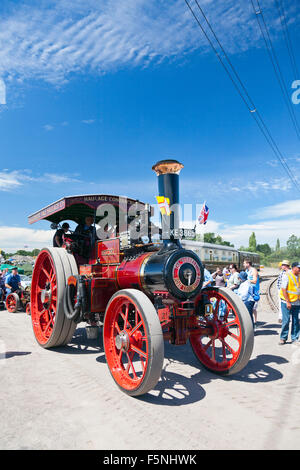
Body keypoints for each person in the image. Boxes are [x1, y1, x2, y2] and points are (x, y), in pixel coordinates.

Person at [278, 261, 300, 345]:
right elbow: (283, 289)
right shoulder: (287, 275)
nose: (299, 270)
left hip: (297, 302)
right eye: (298, 268)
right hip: (287, 302)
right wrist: (287, 302)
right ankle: (283, 338)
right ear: (294, 267)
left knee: (296, 321)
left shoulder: (299, 276)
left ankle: (295, 338)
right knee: (286, 321)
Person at [243, 258, 260, 325]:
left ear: (248, 264)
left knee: (253, 308)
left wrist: (246, 281)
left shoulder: (253, 270)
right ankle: (250, 323)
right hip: (248, 291)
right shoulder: (246, 270)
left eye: (244, 263)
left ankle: (255, 322)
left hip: (254, 291)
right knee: (249, 308)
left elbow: (255, 281)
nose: (243, 264)